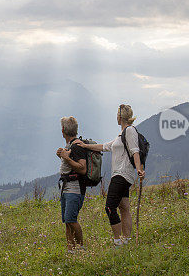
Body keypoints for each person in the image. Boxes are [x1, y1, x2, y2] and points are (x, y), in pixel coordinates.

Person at [77, 104, 145, 246]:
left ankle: (117, 241)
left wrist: (139, 169)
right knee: (124, 207)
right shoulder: (121, 135)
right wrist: (86, 146)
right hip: (123, 175)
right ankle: (126, 239)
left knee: (109, 207)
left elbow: (135, 151)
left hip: (122, 174)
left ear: (119, 117)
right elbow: (105, 146)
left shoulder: (130, 131)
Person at [56, 116, 87, 252]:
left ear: (63, 130)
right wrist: (62, 156)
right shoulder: (70, 146)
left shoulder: (77, 146)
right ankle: (71, 249)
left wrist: (66, 158)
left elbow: (82, 168)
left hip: (74, 189)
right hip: (67, 188)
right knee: (67, 222)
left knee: (71, 219)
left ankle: (80, 247)